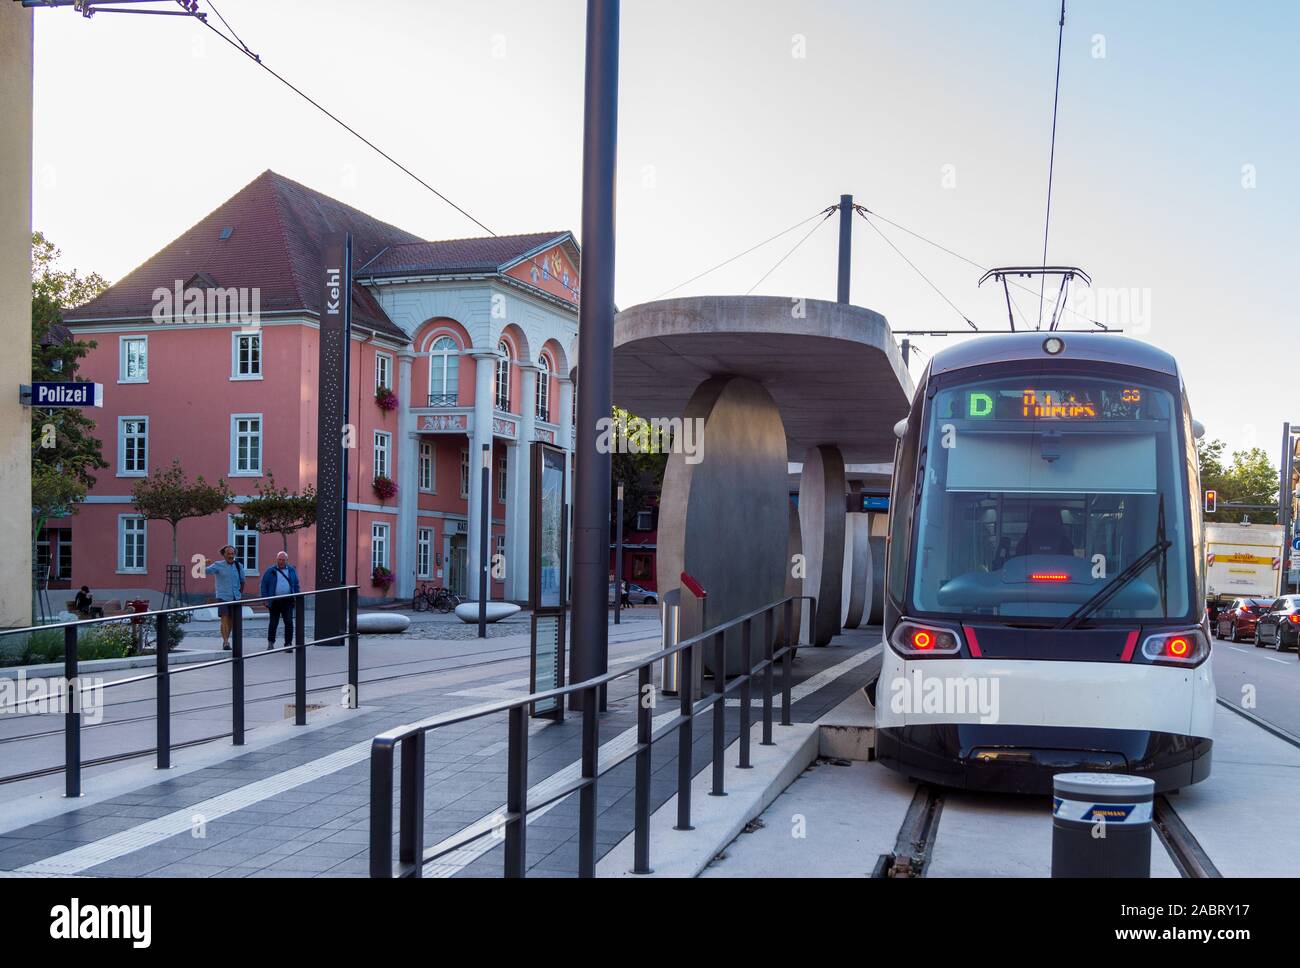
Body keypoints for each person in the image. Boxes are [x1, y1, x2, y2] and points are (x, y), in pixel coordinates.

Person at [204, 545, 246, 650]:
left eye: (232, 553)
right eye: (228, 554)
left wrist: (240, 593)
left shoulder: (238, 565)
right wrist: (203, 564)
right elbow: (204, 572)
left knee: (231, 620)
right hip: (223, 596)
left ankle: (226, 638)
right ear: (224, 554)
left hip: (235, 597)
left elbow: (242, 581)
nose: (231, 556)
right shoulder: (218, 565)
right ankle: (226, 642)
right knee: (224, 618)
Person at [259, 551, 301, 651]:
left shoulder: (291, 570)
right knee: (273, 623)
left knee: (289, 622)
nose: (281, 562)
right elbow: (263, 585)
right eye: (279, 559)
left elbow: (296, 584)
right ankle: (271, 642)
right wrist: (265, 598)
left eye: (283, 560)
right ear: (277, 559)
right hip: (274, 601)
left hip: (287, 600)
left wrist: (298, 596)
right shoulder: (271, 570)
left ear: (287, 560)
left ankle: (288, 644)